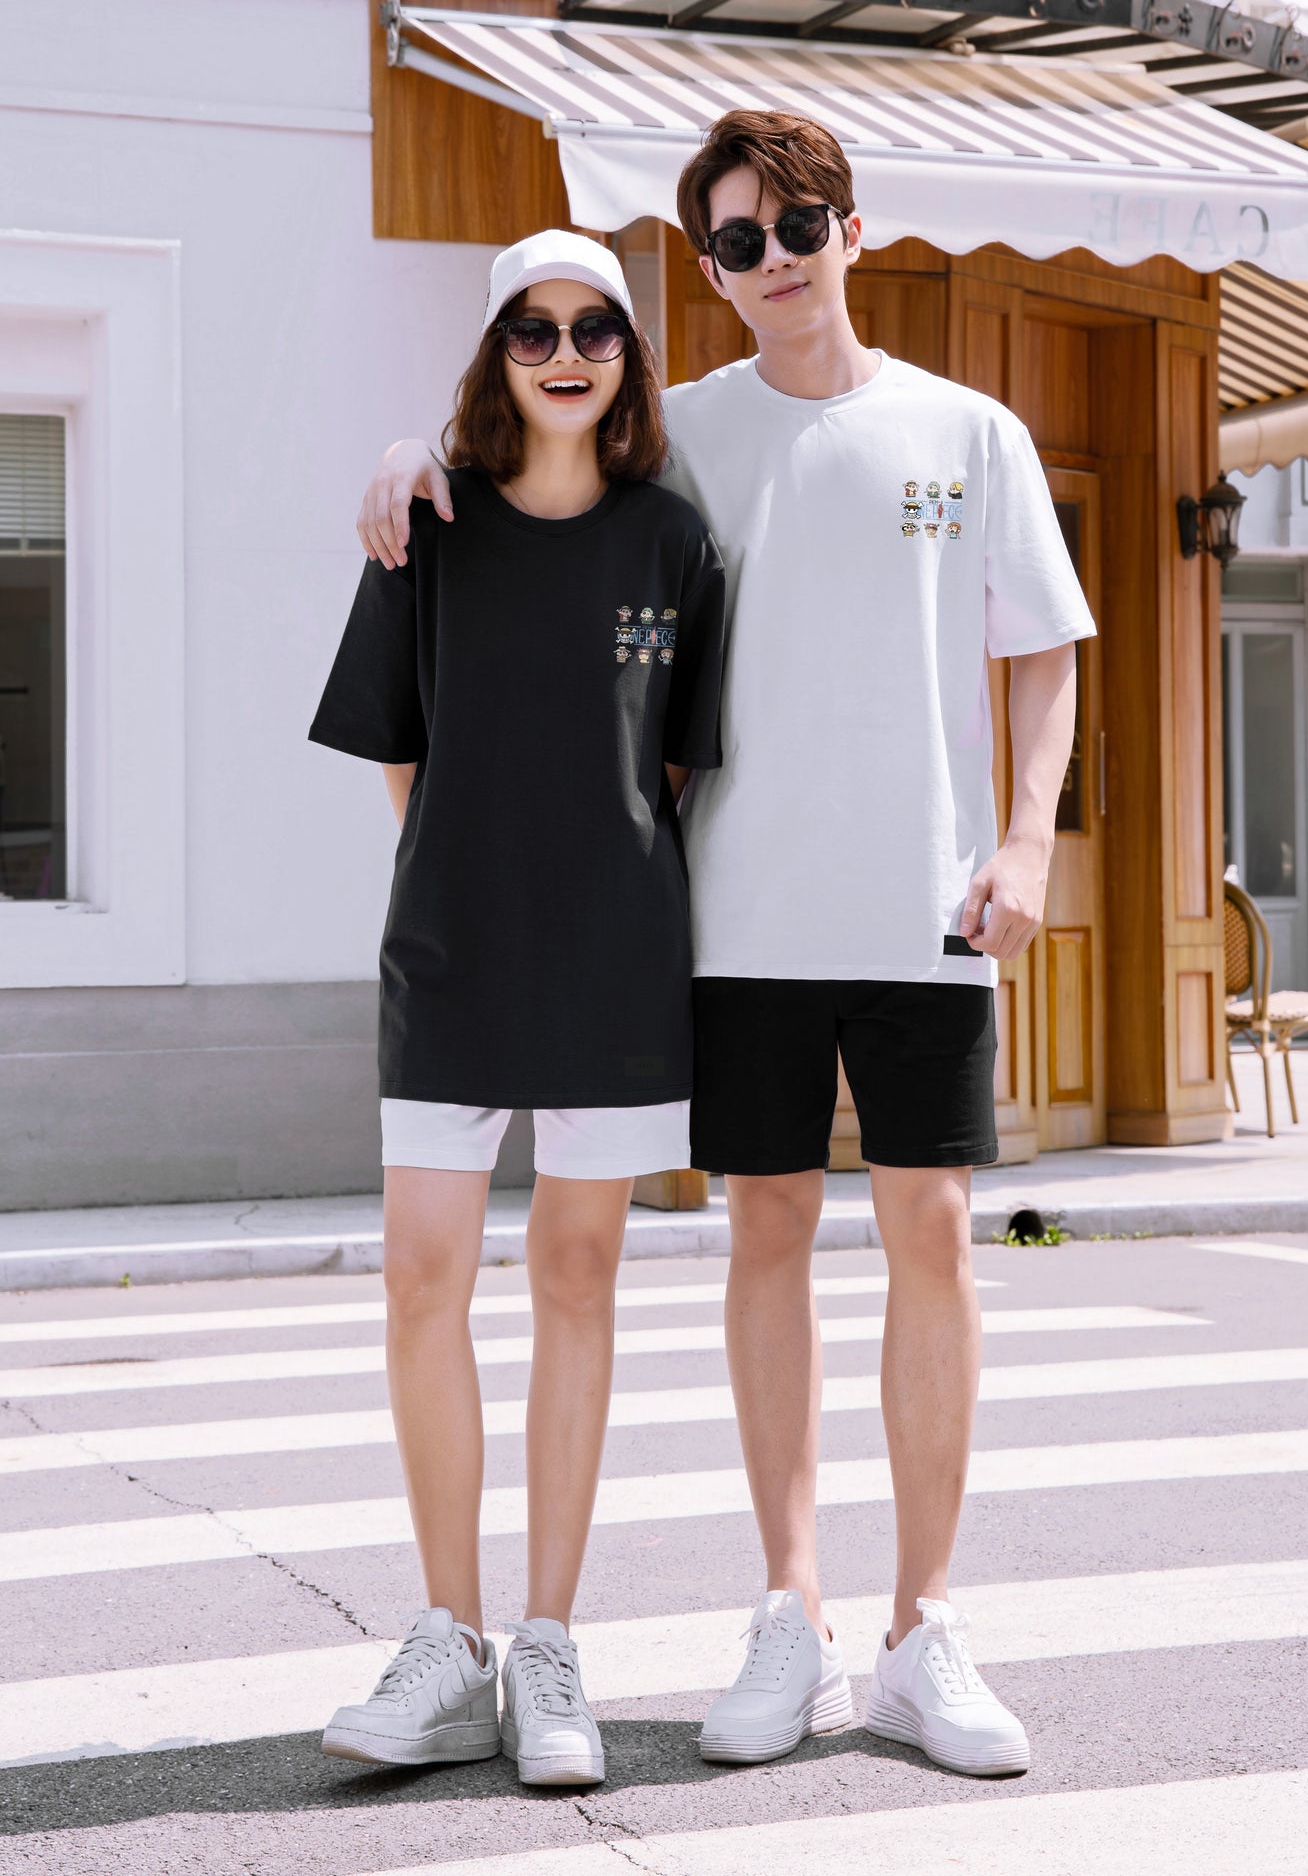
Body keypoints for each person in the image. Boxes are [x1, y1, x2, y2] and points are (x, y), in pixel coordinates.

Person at [354, 114, 1092, 1780]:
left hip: (923, 907)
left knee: (934, 1235)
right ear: (705, 269)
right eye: (737, 242)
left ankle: (921, 1630)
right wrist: (406, 455)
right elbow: (530, 464)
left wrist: (1027, 836)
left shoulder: (967, 431)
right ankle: (790, 1613)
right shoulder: (679, 435)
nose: (773, 262)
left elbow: (1043, 647)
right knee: (768, 1233)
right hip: (730, 915)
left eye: (796, 227)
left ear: (850, 229)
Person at [310, 230, 725, 1786]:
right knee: (422, 1273)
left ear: (628, 354)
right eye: (531, 330)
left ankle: (549, 1644)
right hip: (451, 951)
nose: (563, 354)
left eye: (593, 329)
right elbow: (401, 751)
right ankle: (449, 1639)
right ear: (494, 354)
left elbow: (671, 765)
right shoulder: (425, 524)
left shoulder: (672, 541)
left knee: (576, 1275)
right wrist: (465, 865)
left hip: (615, 960)